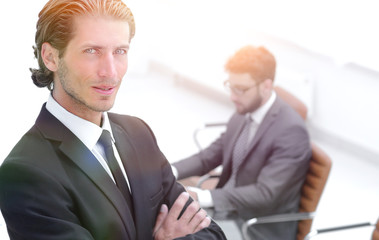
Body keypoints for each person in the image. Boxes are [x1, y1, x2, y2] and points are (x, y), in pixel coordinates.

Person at [0, 1, 227, 239]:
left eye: (120, 51)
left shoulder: (139, 133)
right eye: (92, 51)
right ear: (50, 57)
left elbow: (212, 233)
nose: (111, 72)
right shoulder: (26, 173)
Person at [172, 45, 312, 239]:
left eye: (241, 89)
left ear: (266, 86)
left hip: (254, 227)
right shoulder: (245, 111)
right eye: (231, 87)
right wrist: (169, 171)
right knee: (164, 218)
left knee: (178, 234)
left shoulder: (291, 132)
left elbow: (265, 194)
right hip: (227, 210)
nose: (232, 97)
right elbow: (209, 156)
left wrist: (202, 197)